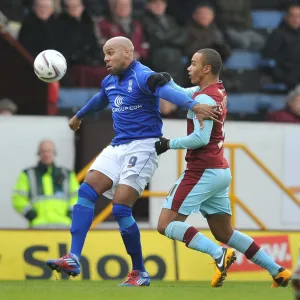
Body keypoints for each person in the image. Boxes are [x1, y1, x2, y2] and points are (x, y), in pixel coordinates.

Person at [46, 36, 220, 286]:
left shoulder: (142, 75)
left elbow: (166, 91)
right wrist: (79, 115)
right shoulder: (110, 81)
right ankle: (73, 256)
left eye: (110, 53)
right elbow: (100, 99)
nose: (105, 58)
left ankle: (140, 272)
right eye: (104, 54)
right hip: (119, 144)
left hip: (145, 145)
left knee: (120, 208)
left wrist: (193, 105)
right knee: (86, 190)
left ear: (128, 53)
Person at [154, 48, 292, 288]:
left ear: (206, 68)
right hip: (219, 171)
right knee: (225, 232)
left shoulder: (205, 98)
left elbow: (201, 139)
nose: (189, 67)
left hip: (202, 170)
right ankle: (278, 270)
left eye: (194, 63)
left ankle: (219, 255)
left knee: (165, 225)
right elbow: (185, 94)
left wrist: (168, 143)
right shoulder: (214, 91)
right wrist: (169, 82)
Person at [12, 140, 79, 228]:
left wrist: (70, 213)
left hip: (63, 226)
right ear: (38, 153)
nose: (46, 154)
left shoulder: (67, 174)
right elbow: (18, 198)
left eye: (49, 151)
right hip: (38, 226)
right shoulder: (27, 174)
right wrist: (30, 214)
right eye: (43, 151)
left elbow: (77, 196)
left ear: (54, 153)